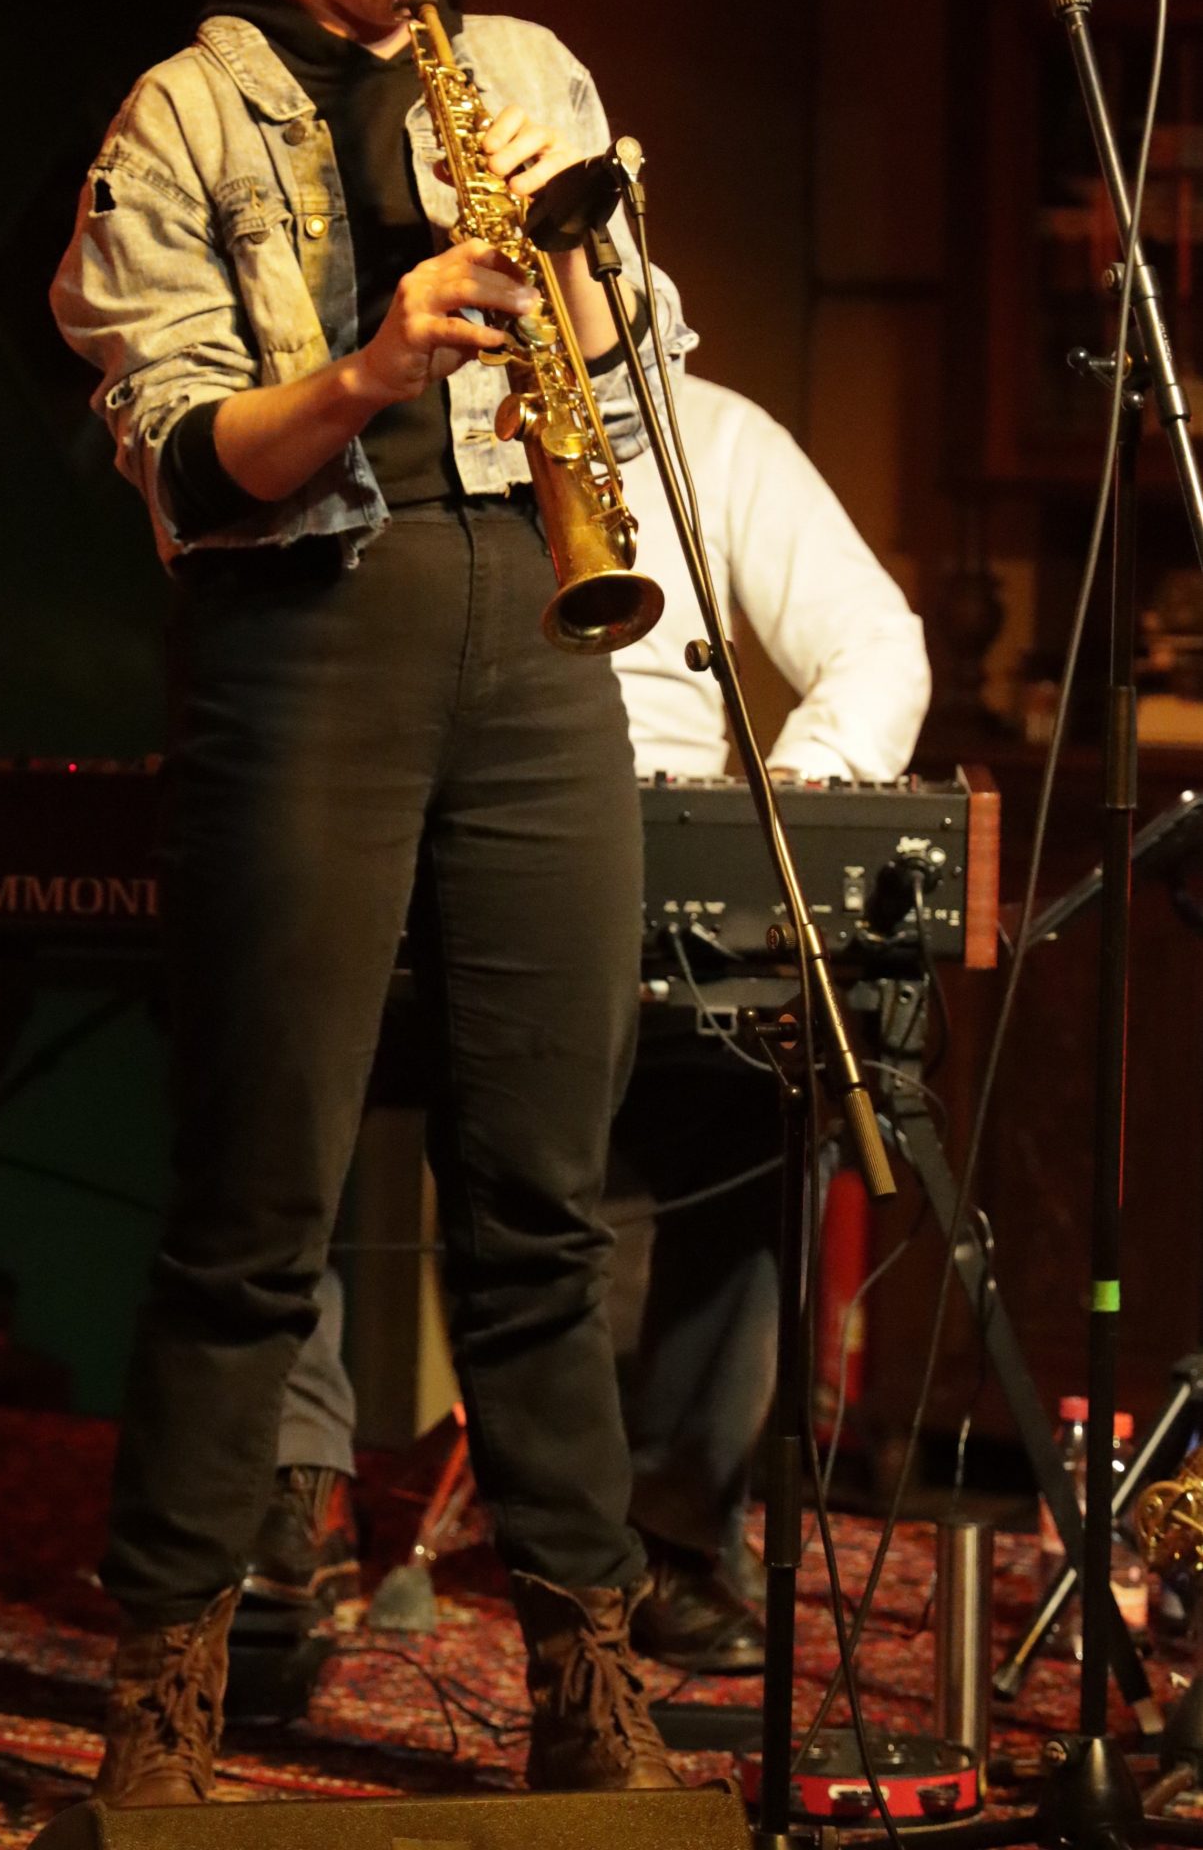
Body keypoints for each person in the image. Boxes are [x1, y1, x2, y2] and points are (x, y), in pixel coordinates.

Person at [52, 0, 694, 1807]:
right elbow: (180, 450)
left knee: (543, 1195)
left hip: (536, 634)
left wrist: (597, 297)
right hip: (304, 636)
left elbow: (648, 355)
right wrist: (369, 363)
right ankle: (165, 1678)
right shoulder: (185, 109)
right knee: (255, 1199)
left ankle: (587, 1676)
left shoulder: (531, 73)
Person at [257, 364, 930, 1672]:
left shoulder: (715, 432)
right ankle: (293, 1486)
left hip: (643, 872)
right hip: (394, 841)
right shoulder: (369, 411)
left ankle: (675, 1529)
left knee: (761, 1099)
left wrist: (785, 809)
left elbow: (875, 646)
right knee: (269, 1085)